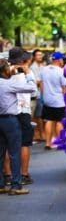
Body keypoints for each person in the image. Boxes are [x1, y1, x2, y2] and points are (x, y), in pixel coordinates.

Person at [0, 58, 36, 195]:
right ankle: (16, 185)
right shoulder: (8, 84)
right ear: (4, 70)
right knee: (15, 153)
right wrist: (27, 73)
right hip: (10, 120)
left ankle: (1, 184)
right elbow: (32, 89)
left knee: (1, 154)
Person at [7, 48, 36, 185]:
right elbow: (34, 92)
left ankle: (7, 175)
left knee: (7, 144)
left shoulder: (4, 72)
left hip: (7, 112)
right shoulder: (27, 73)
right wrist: (28, 73)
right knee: (24, 143)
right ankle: (24, 174)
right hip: (23, 110)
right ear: (23, 60)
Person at [38, 51, 66, 150]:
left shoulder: (43, 70)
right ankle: (60, 142)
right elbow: (64, 88)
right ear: (59, 60)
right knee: (59, 121)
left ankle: (48, 143)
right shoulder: (61, 71)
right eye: (62, 59)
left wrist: (43, 96)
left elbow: (41, 85)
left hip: (47, 99)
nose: (63, 61)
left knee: (49, 120)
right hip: (59, 101)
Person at [30, 49, 46, 143]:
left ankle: (41, 134)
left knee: (40, 115)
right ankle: (38, 134)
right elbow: (36, 81)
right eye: (38, 55)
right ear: (34, 57)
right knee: (37, 115)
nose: (40, 56)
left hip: (43, 93)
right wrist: (40, 82)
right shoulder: (32, 67)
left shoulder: (43, 66)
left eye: (41, 55)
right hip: (38, 94)